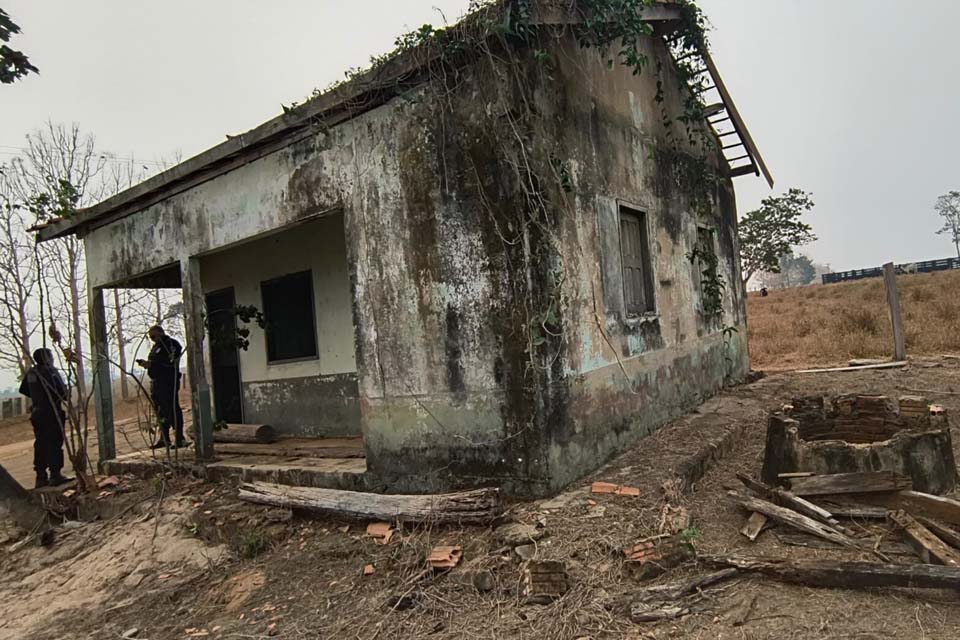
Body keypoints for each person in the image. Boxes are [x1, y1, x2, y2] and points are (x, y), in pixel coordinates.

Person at [19, 348, 71, 488]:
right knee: (54, 443)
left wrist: (37, 397)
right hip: (52, 413)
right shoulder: (51, 372)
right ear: (46, 358)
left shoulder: (32, 372)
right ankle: (55, 474)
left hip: (37, 413)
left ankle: (41, 476)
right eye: (51, 356)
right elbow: (62, 393)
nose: (52, 359)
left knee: (41, 443)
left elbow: (23, 389)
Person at [137, 326, 187, 449]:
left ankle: (179, 438)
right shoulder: (156, 347)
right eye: (150, 338)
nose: (152, 339)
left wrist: (153, 364)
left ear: (160, 333)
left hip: (168, 382)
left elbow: (170, 361)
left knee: (172, 409)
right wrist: (147, 364)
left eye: (154, 336)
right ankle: (164, 438)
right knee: (160, 411)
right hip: (157, 383)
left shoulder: (171, 344)